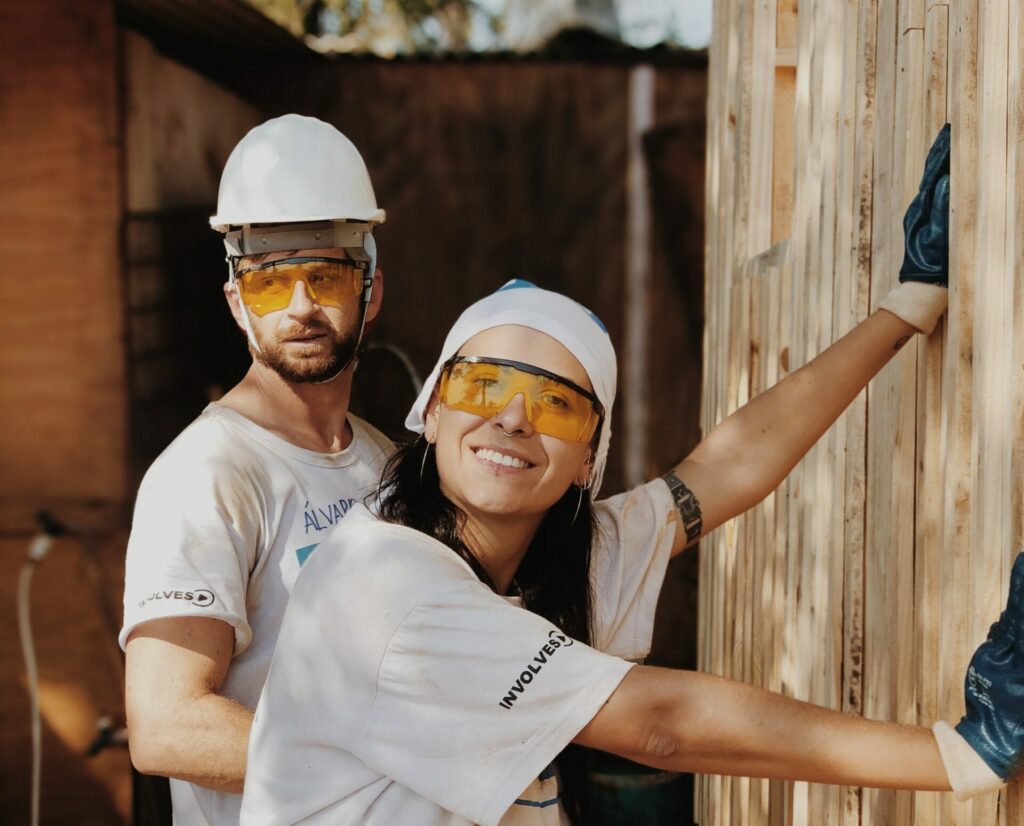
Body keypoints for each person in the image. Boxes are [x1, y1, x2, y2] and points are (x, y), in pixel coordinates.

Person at [240, 275, 1017, 826]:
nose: (512, 419)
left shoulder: (557, 555)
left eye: (556, 405)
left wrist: (904, 308)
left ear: (588, 460)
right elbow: (662, 725)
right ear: (433, 411)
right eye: (482, 386)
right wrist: (957, 757)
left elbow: (720, 472)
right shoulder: (384, 584)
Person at [119, 115, 394, 826]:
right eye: (272, 282)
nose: (301, 306)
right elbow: (166, 725)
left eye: (327, 273)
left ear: (371, 291)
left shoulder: (384, 462)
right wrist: (385, 767)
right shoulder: (208, 475)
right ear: (239, 305)